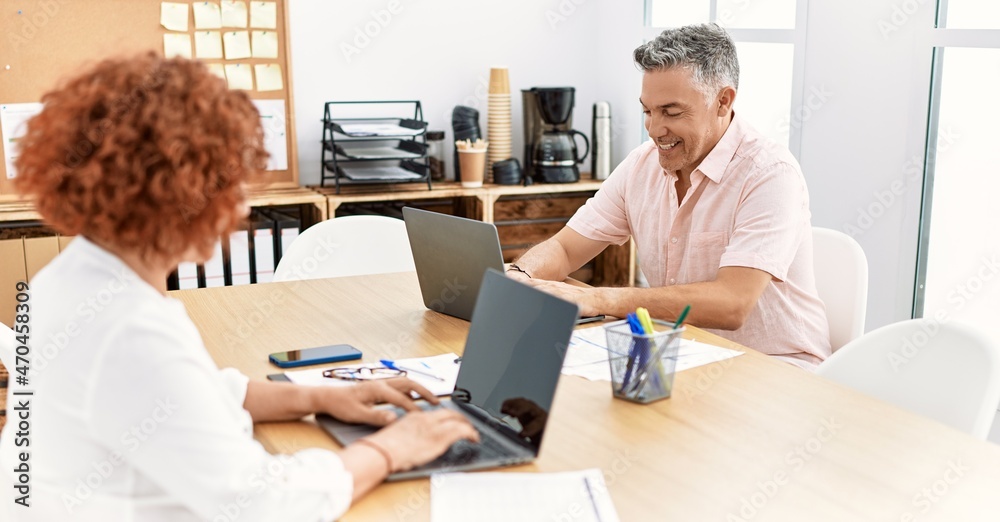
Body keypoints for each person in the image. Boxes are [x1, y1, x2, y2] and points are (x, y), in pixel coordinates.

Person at [0, 53, 477, 521]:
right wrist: (392, 448)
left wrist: (318, 396)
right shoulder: (129, 329)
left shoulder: (72, 279)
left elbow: (187, 395)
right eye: (228, 184)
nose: (240, 208)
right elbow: (263, 505)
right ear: (177, 195)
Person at [508, 24, 831, 370]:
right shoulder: (640, 167)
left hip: (778, 369)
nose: (654, 129)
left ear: (723, 101)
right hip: (686, 357)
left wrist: (598, 297)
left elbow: (732, 303)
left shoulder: (769, 173)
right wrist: (519, 276)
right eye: (648, 111)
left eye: (671, 112)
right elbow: (565, 248)